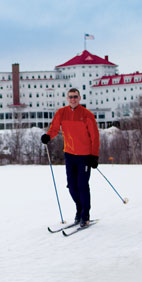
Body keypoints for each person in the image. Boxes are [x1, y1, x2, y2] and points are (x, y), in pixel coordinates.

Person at [42, 88, 100, 228]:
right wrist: (48, 136)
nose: (73, 99)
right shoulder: (61, 113)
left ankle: (85, 215)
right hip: (69, 154)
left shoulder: (87, 115)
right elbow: (54, 128)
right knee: (72, 186)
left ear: (80, 98)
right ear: (67, 99)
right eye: (70, 97)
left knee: (82, 185)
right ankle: (79, 209)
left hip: (85, 155)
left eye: (75, 97)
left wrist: (94, 155)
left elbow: (95, 136)